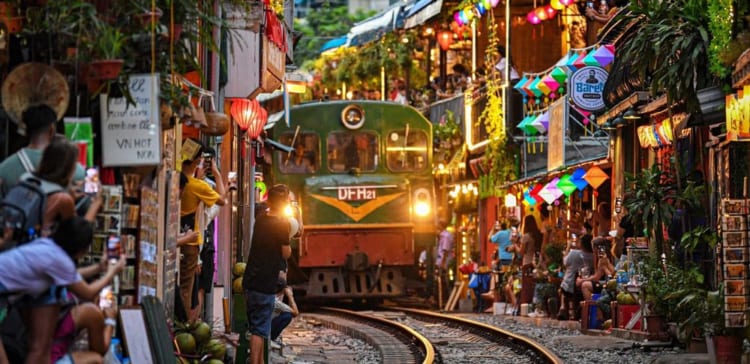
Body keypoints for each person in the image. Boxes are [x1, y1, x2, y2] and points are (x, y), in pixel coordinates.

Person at [0, 217, 124, 364]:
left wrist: (98, 268)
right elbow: (88, 292)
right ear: (81, 250)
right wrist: (112, 271)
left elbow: (71, 276)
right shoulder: (60, 262)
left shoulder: (47, 246)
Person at [242, 184, 293, 364]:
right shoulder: (282, 224)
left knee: (258, 325)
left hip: (250, 279)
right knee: (260, 329)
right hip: (265, 282)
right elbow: (286, 253)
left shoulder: (261, 218)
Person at [179, 139, 227, 317]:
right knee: (187, 289)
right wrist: (217, 174)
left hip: (176, 238)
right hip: (191, 243)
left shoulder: (176, 180)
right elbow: (222, 199)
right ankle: (183, 330)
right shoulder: (197, 186)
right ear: (197, 160)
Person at [0, 105, 85, 196]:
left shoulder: (4, 169)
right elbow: (86, 205)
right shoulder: (74, 168)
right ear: (52, 129)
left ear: (25, 131)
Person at [50, 301, 118, 364]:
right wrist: (110, 321)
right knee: (96, 359)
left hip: (45, 355)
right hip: (51, 359)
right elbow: (101, 351)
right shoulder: (89, 311)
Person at [558, 234, 593, 320]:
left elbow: (565, 262)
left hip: (569, 284)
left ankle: (563, 307)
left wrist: (568, 247)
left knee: (563, 286)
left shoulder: (574, 253)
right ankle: (572, 311)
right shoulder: (593, 257)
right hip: (584, 281)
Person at [270, 275, 299, 347]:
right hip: (266, 327)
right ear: (283, 290)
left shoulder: (271, 297)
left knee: (286, 313)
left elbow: (290, 309)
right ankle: (271, 338)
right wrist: (290, 296)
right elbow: (295, 313)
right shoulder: (276, 302)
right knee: (287, 316)